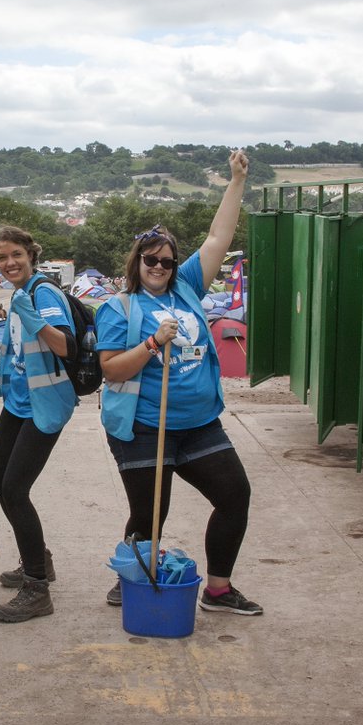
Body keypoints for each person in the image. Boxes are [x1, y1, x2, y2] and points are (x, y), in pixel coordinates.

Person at [95, 149, 262, 616]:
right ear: (137, 261)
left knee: (234, 495)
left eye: (167, 261)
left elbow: (217, 237)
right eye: (151, 259)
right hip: (144, 426)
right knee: (150, 514)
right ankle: (132, 576)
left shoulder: (186, 285)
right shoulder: (119, 308)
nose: (160, 267)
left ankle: (218, 590)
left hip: (199, 422)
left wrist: (236, 181)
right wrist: (152, 343)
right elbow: (111, 370)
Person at [0, 225, 78, 623]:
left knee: (15, 489)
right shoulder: (19, 294)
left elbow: (65, 346)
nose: (10, 262)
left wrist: (35, 320)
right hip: (18, 404)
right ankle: (39, 558)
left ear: (31, 255)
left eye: (16, 254)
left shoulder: (42, 293)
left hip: (44, 406)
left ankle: (37, 587)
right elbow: (17, 354)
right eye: (2, 257)